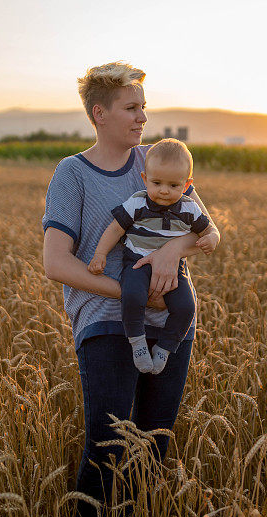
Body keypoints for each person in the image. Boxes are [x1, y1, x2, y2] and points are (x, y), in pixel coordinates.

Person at [41, 61, 220, 517]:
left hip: (171, 326)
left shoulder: (156, 161)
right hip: (103, 318)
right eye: (131, 107)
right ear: (99, 113)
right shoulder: (72, 174)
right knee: (109, 445)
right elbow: (56, 263)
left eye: (144, 106)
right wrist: (131, 295)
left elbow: (207, 230)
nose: (142, 117)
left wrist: (171, 253)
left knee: (153, 446)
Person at [87, 138, 219, 375]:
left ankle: (165, 348)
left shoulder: (189, 208)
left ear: (187, 184)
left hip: (173, 269)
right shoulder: (138, 202)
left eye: (174, 185)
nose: (164, 191)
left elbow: (210, 231)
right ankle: (137, 342)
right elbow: (116, 229)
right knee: (132, 295)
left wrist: (211, 240)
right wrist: (100, 254)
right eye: (156, 183)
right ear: (145, 179)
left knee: (187, 307)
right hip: (137, 261)